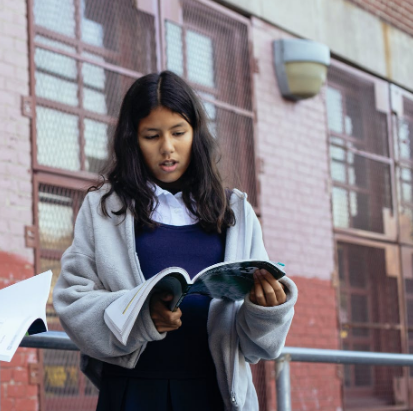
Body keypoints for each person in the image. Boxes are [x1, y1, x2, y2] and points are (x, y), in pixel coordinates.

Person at [52, 71, 297, 411]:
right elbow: (72, 302)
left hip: (218, 394)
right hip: (131, 395)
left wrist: (267, 310)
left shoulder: (236, 211)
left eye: (178, 132)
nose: (167, 148)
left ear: (196, 133)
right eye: (151, 135)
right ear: (132, 140)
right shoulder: (105, 208)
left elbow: (258, 348)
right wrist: (140, 317)